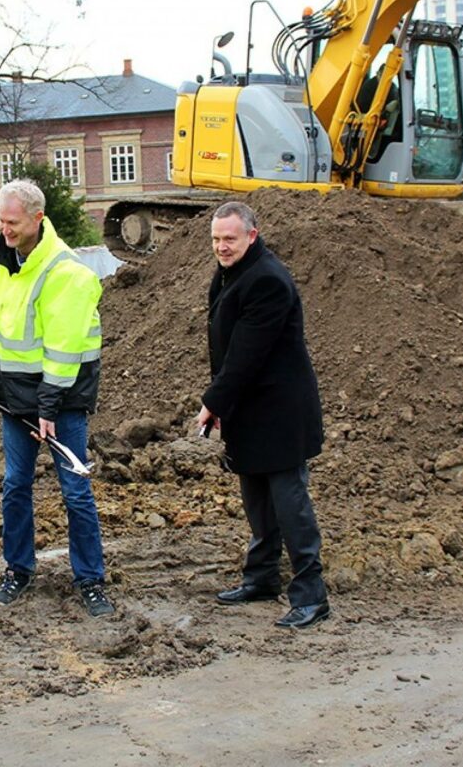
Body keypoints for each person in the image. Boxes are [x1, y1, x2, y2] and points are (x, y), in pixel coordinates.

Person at [0, 179, 114, 618]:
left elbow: (63, 353)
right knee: (14, 486)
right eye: (0, 220)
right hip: (13, 397)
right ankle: (18, 570)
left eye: (12, 222)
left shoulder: (66, 272)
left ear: (37, 219)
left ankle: (90, 579)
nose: (4, 229)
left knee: (75, 491)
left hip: (62, 400)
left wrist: (47, 409)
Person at [195, 201, 330, 629]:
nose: (221, 247)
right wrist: (225, 403)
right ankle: (261, 578)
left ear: (251, 235)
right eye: (216, 239)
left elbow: (247, 355)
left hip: (280, 411)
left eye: (229, 239)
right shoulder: (232, 272)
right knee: (256, 498)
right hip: (250, 409)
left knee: (290, 503)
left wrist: (214, 401)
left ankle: (311, 595)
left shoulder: (268, 279)